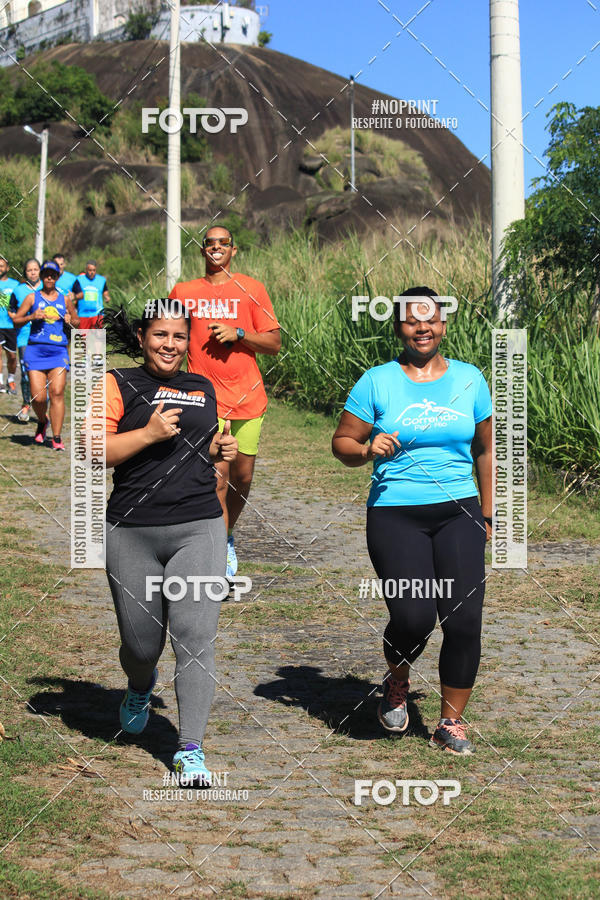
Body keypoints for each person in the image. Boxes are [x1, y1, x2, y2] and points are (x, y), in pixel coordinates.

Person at [332, 286, 493, 755]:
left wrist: (488, 511)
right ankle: (398, 679)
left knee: (463, 619)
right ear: (398, 327)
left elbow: (485, 447)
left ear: (443, 324)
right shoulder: (377, 381)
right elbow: (342, 442)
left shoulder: (470, 379)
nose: (421, 327)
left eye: (430, 319)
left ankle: (450, 723)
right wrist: (366, 449)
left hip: (458, 509)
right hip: (395, 511)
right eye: (410, 320)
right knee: (414, 615)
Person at [101, 299, 237, 782]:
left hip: (198, 528)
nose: (170, 345)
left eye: (179, 336)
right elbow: (95, 450)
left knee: (195, 638)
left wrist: (220, 449)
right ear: (141, 337)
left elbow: (209, 454)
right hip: (131, 531)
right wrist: (146, 433)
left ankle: (190, 748)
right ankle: (140, 686)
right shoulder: (119, 383)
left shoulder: (201, 386)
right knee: (141, 645)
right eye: (160, 335)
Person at [169, 226, 281, 579]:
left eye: (223, 243)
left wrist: (241, 334)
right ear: (202, 251)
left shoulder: (252, 288)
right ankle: (216, 550)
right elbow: (168, 335)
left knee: (241, 479)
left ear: (234, 250)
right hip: (204, 399)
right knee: (218, 477)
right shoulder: (183, 292)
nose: (216, 248)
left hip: (248, 398)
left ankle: (227, 532)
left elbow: (274, 343)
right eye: (209, 244)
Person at [11, 259, 79, 450]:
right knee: (38, 397)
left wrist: (70, 320)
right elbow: (16, 321)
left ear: (57, 277)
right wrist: (32, 317)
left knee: (57, 392)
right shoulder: (32, 298)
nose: (49, 277)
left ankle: (57, 438)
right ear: (42, 276)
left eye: (53, 274)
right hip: (35, 350)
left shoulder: (64, 299)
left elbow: (77, 321)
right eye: (46, 274)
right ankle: (42, 420)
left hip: (58, 351)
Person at [7, 258, 41, 422]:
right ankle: (26, 405)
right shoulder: (18, 290)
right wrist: (14, 316)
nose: (33, 272)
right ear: (25, 272)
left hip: (44, 337)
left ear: (39, 271)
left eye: (35, 269)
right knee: (27, 374)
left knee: (44, 373)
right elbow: (11, 310)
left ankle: (43, 407)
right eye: (29, 270)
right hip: (24, 338)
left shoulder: (47, 288)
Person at [0, 256, 21, 395]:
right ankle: (0, 382)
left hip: (11, 325)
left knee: (12, 357)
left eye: (2, 266)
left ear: (7, 268)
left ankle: (11, 379)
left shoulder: (15, 285)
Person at [72, 260, 110, 329]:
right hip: (83, 314)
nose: (92, 272)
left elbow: (105, 290)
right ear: (86, 270)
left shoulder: (101, 280)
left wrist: (106, 296)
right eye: (90, 270)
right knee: (82, 338)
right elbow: (74, 293)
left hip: (97, 314)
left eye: (94, 270)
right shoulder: (79, 279)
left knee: (97, 338)